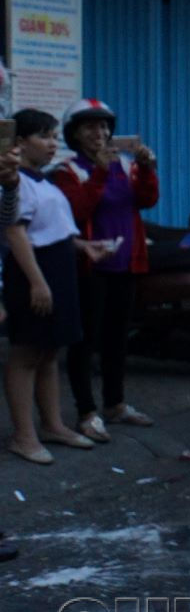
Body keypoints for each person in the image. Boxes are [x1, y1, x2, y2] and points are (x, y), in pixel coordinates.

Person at [4, 110, 111, 465]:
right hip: (34, 272)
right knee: (25, 355)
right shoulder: (14, 182)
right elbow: (16, 232)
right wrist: (37, 282)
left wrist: (84, 247)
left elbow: (58, 229)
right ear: (19, 143)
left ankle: (52, 425)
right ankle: (23, 436)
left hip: (59, 269)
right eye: (44, 137)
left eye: (54, 136)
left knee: (50, 353)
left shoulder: (44, 182)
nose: (53, 144)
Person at [53, 99, 160, 440]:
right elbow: (77, 211)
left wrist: (146, 169)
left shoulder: (126, 165)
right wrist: (99, 172)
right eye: (89, 127)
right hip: (89, 266)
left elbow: (146, 200)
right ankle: (86, 412)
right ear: (74, 134)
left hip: (126, 261)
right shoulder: (67, 172)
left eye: (103, 127)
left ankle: (115, 404)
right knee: (85, 341)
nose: (99, 133)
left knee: (117, 337)